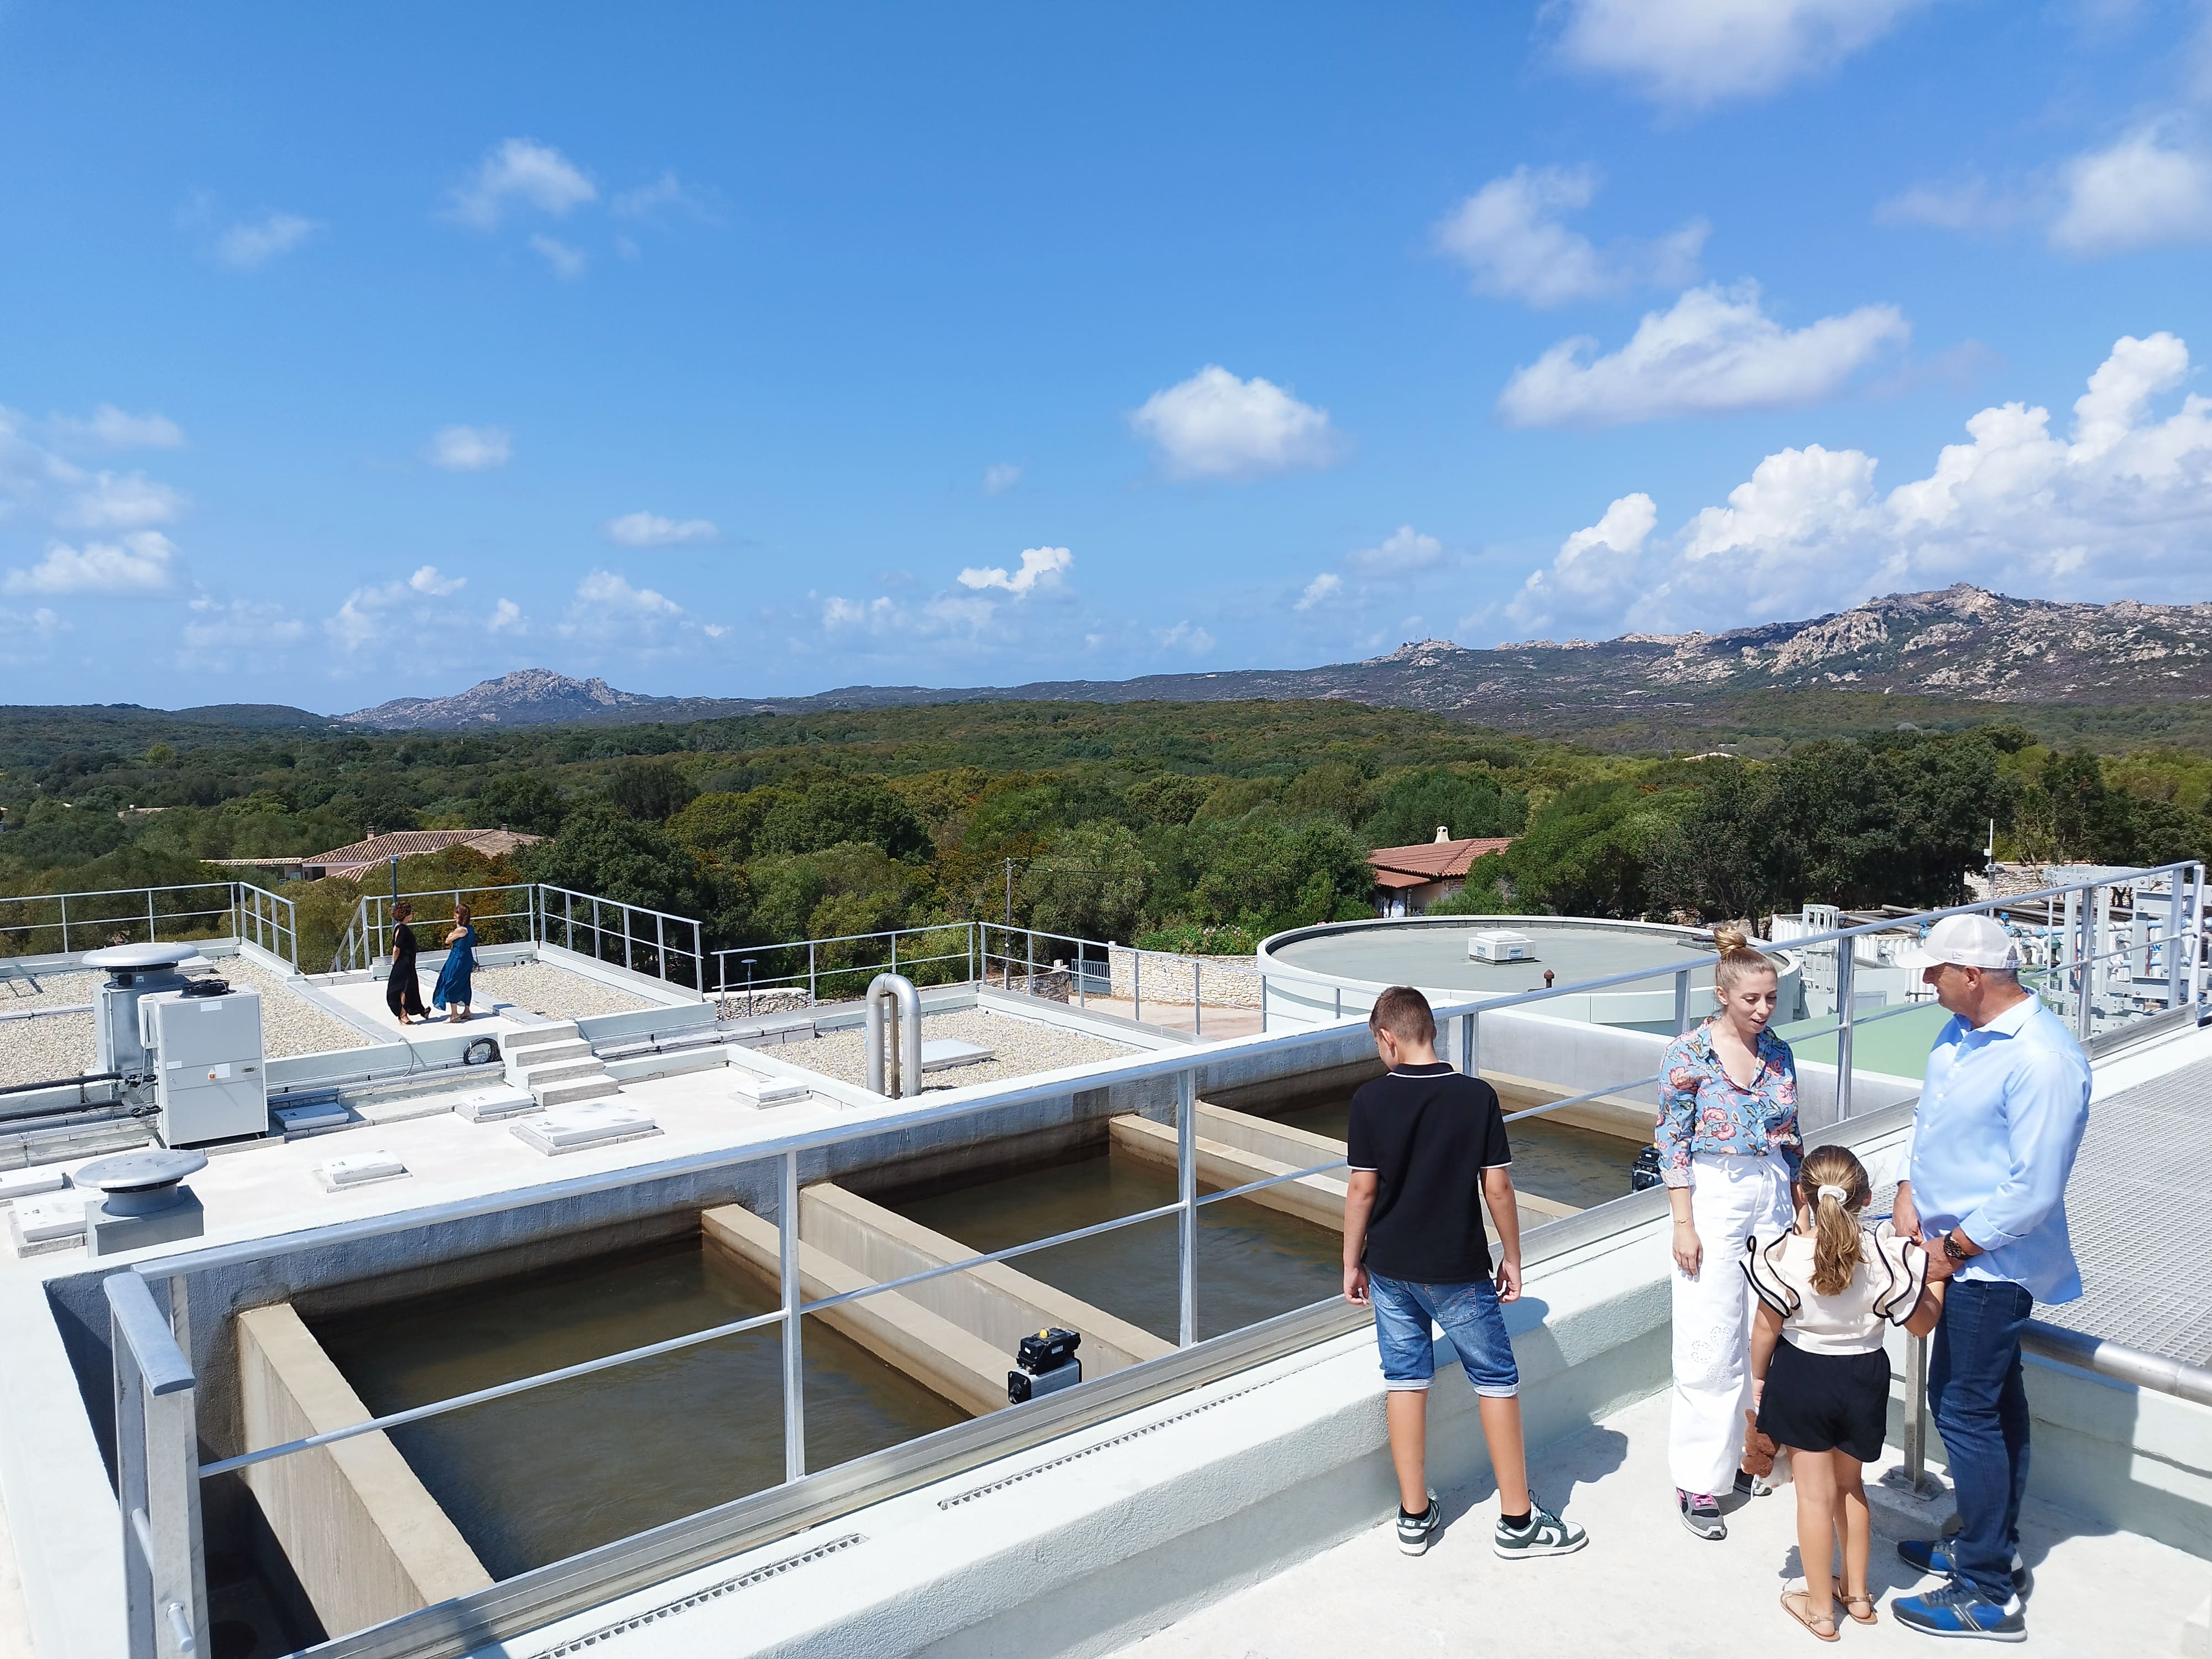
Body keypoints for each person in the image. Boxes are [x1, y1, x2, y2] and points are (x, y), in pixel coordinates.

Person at [1886, 912, 2090, 1643]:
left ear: (1973, 976)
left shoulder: (2043, 1059)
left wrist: (1952, 1252)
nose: (1925, 980)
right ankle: (1988, 1545)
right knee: (1995, 1407)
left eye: (1935, 970)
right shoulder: (1962, 1033)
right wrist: (1909, 1184)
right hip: (1956, 1252)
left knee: (1964, 1410)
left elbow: (2033, 1190)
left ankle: (1985, 1592)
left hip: (1988, 1268)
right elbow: (1930, 1119)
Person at [1342, 985, 1589, 1562]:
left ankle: (1412, 1514)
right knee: (1496, 1380)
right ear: (1430, 1030)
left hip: (1391, 1268)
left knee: (1405, 1377)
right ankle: (1516, 1522)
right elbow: (1497, 1186)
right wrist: (1512, 1257)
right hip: (1456, 1268)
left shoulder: (1369, 1101)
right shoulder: (1476, 1097)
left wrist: (1353, 1262)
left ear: (1387, 1039)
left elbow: (1361, 1190)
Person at [1747, 1144, 1947, 1641]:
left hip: (1802, 1378)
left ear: (1803, 1194)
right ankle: (1858, 1597)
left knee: (1814, 1499)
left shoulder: (1783, 1254)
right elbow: (1923, 1324)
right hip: (1863, 1380)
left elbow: (1766, 1329)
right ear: (1866, 1196)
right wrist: (1935, 1275)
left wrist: (1757, 1380)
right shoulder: (1884, 1253)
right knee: (1850, 1488)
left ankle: (1819, 1610)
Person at [1655, 921, 1803, 1540]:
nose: (1764, 1008)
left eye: (1770, 997)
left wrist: (1800, 1209)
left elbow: (1793, 1135)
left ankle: (1752, 1453)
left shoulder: (1779, 1052)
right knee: (1708, 1335)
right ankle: (1698, 1478)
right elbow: (1672, 1139)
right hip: (1711, 1196)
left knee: (1763, 1332)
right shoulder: (1687, 1052)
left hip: (1768, 1192)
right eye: (1752, 999)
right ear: (1723, 995)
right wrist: (1682, 1222)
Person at [431, 901, 478, 1023]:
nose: (454, 917)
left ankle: (454, 1014)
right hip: (467, 957)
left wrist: (451, 935)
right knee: (464, 983)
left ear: (460, 916)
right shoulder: (471, 928)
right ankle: (467, 1011)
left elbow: (448, 940)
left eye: (456, 915)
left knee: (451, 983)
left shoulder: (461, 930)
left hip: (458, 958)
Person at [384, 901, 427, 1026]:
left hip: (408, 963)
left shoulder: (400, 928)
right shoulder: (402, 929)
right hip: (404, 964)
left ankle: (420, 1010)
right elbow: (396, 948)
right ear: (407, 914)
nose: (413, 915)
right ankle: (403, 1015)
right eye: (411, 912)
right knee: (404, 989)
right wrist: (395, 962)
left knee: (411, 988)